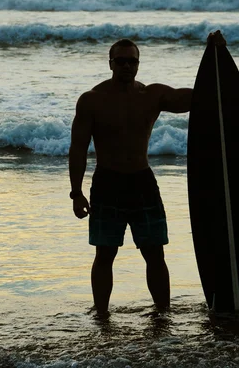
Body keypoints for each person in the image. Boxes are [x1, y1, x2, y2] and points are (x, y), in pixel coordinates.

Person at [69, 32, 226, 314]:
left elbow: (196, 97)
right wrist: (76, 192)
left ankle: (162, 311)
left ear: (138, 64)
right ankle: (101, 313)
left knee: (154, 252)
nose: (126, 66)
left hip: (142, 182)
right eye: (120, 61)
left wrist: (214, 57)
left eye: (132, 62)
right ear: (110, 63)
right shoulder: (92, 100)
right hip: (107, 182)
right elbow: (78, 148)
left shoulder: (151, 95)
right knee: (105, 253)